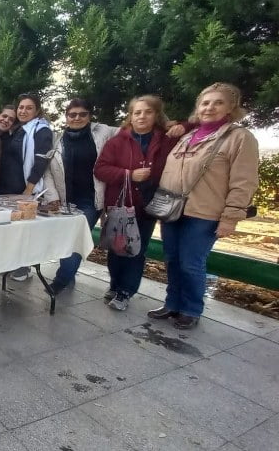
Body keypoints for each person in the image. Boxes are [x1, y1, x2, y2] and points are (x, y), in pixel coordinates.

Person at [148, 83, 259, 329]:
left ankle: (190, 309)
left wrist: (231, 217)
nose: (210, 108)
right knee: (172, 260)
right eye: (205, 103)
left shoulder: (239, 138)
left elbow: (244, 181)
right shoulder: (187, 136)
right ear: (198, 107)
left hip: (205, 214)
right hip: (173, 210)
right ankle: (172, 303)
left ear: (231, 107)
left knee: (191, 262)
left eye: (217, 102)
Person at [94, 95, 186, 311]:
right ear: (131, 116)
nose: (142, 116)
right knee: (116, 249)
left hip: (148, 206)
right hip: (120, 204)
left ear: (156, 115)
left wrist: (181, 125)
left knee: (136, 249)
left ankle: (126, 291)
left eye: (148, 112)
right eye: (137, 112)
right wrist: (129, 174)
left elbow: (198, 124)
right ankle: (115, 284)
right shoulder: (117, 141)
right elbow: (101, 169)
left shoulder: (166, 139)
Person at [43, 99, 119, 295]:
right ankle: (68, 276)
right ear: (66, 116)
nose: (77, 118)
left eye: (82, 114)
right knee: (65, 239)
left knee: (75, 239)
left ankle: (60, 281)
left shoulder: (103, 132)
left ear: (90, 116)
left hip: (90, 201)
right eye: (72, 114)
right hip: (64, 200)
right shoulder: (57, 139)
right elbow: (48, 171)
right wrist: (52, 195)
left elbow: (131, 128)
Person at [0, 94, 53, 281]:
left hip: (22, 190)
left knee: (22, 231)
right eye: (21, 107)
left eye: (29, 108)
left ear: (37, 111)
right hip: (3, 187)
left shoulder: (41, 131)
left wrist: (28, 190)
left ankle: (23, 267)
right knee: (7, 229)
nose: (23, 111)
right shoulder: (17, 129)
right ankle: (8, 263)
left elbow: (42, 161)